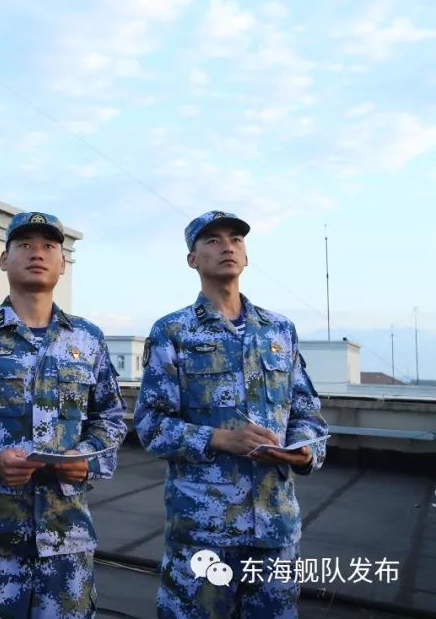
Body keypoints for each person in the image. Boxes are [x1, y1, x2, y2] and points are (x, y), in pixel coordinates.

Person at [0, 211, 128, 618]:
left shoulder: (86, 338)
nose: (37, 253)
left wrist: (86, 459)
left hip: (67, 544)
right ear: (4, 260)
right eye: (24, 245)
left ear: (62, 263)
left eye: (48, 247)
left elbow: (109, 415)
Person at [134, 210, 329, 619]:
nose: (227, 246)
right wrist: (220, 439)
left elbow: (308, 413)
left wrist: (305, 453)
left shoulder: (279, 331)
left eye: (236, 239)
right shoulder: (174, 331)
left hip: (275, 529)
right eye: (213, 240)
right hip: (204, 530)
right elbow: (151, 424)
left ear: (246, 255)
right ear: (193, 259)